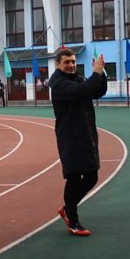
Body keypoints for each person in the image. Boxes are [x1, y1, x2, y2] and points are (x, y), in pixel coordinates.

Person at [48, 48, 107, 236]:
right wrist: (95, 75)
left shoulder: (78, 79)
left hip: (86, 135)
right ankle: (73, 222)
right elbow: (82, 91)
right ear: (58, 64)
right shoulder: (58, 83)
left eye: (73, 61)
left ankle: (67, 209)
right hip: (70, 137)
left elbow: (97, 91)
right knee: (73, 179)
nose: (71, 65)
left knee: (92, 177)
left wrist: (101, 74)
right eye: (67, 62)